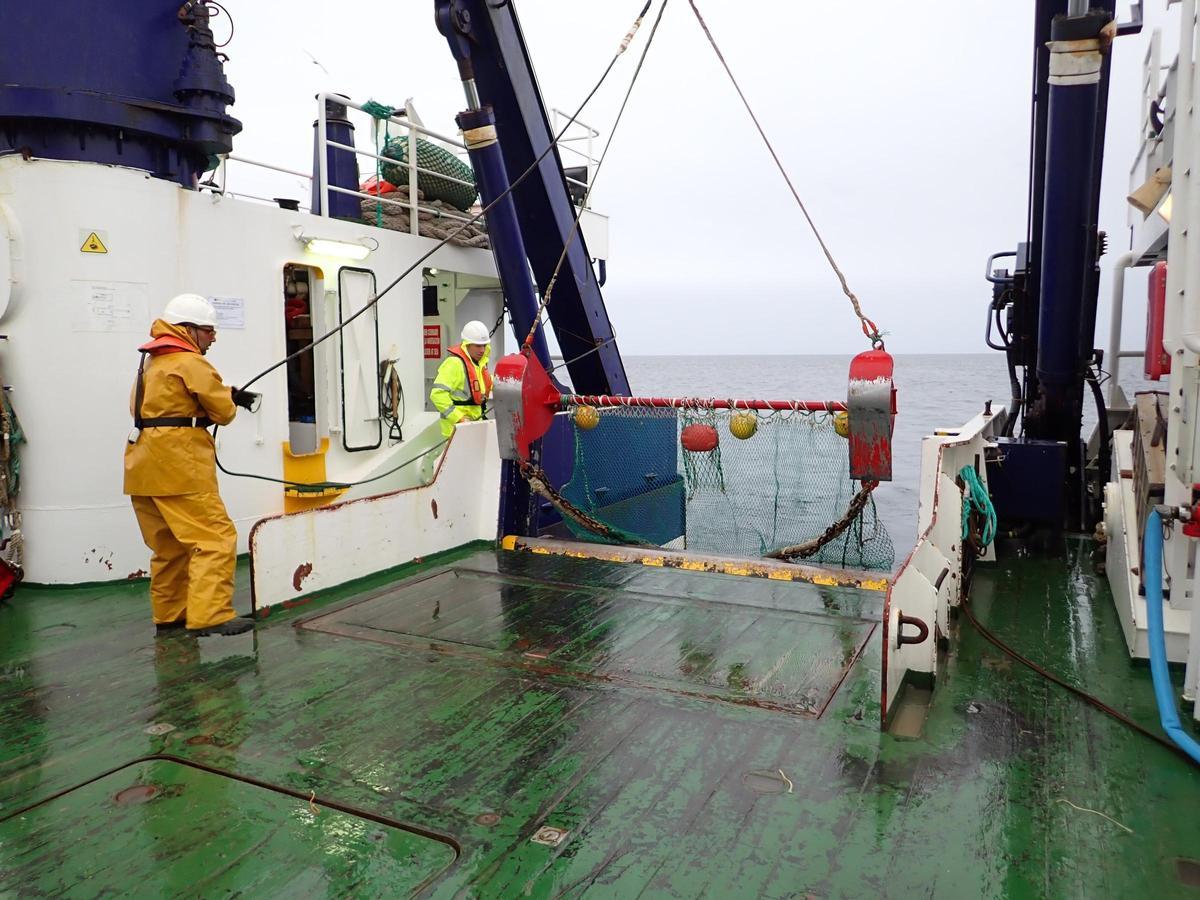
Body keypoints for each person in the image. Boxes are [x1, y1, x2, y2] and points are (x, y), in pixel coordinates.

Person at [123, 294, 259, 636]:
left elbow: (156, 406)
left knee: (167, 547)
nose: (214, 337)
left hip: (142, 464)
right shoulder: (191, 362)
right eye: (209, 330)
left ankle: (170, 615)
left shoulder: (150, 365)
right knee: (214, 538)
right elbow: (223, 413)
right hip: (179, 465)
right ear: (189, 330)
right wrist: (231, 399)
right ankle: (210, 615)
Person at [430, 320, 494, 439]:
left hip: (474, 426)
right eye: (478, 345)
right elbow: (437, 395)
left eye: (484, 345)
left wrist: (503, 383)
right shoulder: (454, 363)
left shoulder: (478, 364)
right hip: (456, 431)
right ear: (467, 345)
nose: (482, 350)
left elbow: (483, 383)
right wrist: (459, 419)